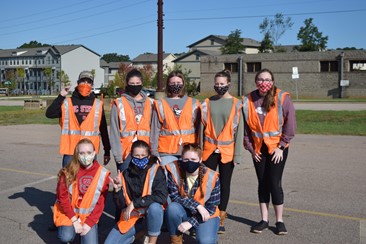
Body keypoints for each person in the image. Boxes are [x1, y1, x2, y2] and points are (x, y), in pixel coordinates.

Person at [243, 68, 296, 235]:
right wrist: (251, 149)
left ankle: (279, 221)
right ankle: (264, 219)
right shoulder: (248, 100)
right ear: (255, 81)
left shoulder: (282, 98)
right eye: (260, 79)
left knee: (274, 182)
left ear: (272, 81)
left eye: (267, 79)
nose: (263, 82)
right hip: (258, 149)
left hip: (277, 149)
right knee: (262, 183)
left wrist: (281, 146)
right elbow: (245, 130)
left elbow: (290, 125)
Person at [201, 70, 244, 234]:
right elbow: (201, 128)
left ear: (229, 84)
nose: (219, 86)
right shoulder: (207, 102)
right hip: (209, 150)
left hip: (228, 151)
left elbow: (240, 131)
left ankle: (220, 217)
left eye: (222, 84)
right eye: (217, 83)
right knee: (207, 184)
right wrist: (199, 151)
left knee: (225, 185)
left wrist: (237, 154)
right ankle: (207, 214)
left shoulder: (237, 103)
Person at [105, 140, 168, 244]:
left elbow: (161, 197)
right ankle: (140, 234)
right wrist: (117, 190)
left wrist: (135, 203)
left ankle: (152, 241)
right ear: (131, 156)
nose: (140, 158)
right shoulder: (125, 174)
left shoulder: (156, 171)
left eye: (143, 155)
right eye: (136, 155)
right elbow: (121, 205)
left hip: (152, 215)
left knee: (155, 208)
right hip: (133, 217)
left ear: (148, 156)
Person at [45, 70, 111, 167]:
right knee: (69, 181)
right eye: (83, 81)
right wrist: (61, 96)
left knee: (88, 181)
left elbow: (103, 129)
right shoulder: (67, 102)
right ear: (77, 83)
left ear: (92, 85)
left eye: (88, 82)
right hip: (71, 151)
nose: (85, 84)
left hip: (89, 152)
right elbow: (49, 114)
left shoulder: (97, 104)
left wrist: (107, 151)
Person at [53, 138, 110, 244]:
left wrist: (89, 223)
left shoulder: (102, 173)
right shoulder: (67, 172)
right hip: (69, 214)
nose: (85, 156)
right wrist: (74, 220)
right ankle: (68, 231)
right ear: (77, 154)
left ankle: (86, 230)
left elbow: (100, 203)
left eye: (89, 152)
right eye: (82, 153)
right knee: (66, 237)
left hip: (88, 216)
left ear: (94, 153)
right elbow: (63, 198)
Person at [165, 143, 220, 244]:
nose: (189, 163)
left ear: (200, 160)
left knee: (205, 241)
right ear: (181, 158)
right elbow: (174, 196)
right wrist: (198, 205)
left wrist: (191, 222)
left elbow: (212, 207)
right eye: (186, 160)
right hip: (186, 210)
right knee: (172, 208)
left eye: (193, 160)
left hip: (206, 214)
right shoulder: (174, 170)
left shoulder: (212, 177)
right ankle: (176, 240)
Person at [150, 70, 201, 166]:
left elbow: (199, 129)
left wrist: (199, 150)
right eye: (172, 83)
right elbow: (155, 130)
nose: (176, 85)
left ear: (183, 84)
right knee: (169, 179)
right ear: (168, 84)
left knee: (186, 180)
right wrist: (154, 152)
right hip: (166, 152)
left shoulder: (194, 103)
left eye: (178, 83)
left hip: (189, 151)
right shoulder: (160, 104)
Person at [110, 69, 154, 172]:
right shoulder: (119, 103)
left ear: (142, 83)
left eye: (137, 83)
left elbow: (155, 129)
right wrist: (118, 155)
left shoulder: (151, 103)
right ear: (127, 84)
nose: (135, 86)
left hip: (146, 151)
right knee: (126, 182)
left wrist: (154, 152)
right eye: (132, 83)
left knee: (146, 183)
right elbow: (114, 132)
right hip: (126, 152)